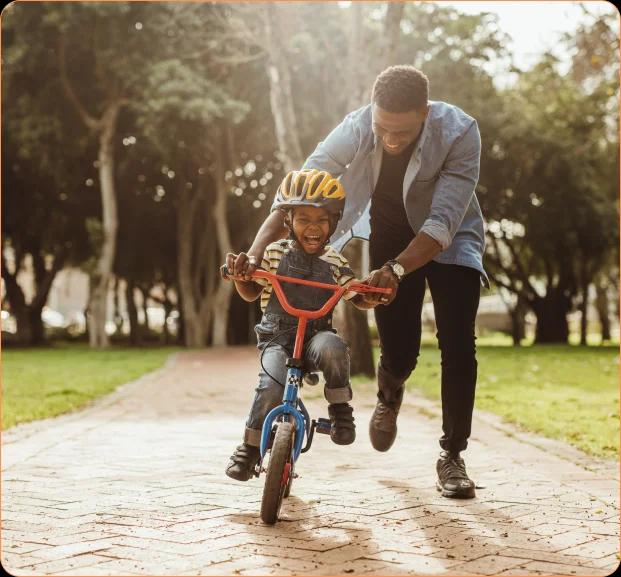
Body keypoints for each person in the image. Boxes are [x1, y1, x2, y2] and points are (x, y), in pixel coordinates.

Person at [230, 65, 487, 499]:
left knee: (458, 343)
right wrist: (254, 254)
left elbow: (443, 221)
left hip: (451, 239)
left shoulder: (460, 132)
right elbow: (297, 192)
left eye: (401, 132)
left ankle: (452, 455)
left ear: (424, 112)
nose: (390, 139)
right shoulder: (357, 126)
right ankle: (390, 395)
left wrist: (398, 271)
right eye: (382, 127)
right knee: (400, 350)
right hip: (390, 234)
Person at [224, 169, 377, 482]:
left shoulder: (335, 261)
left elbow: (354, 294)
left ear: (333, 223)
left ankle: (339, 410)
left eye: (322, 220)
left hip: (315, 337)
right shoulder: (272, 253)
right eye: (303, 218)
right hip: (276, 338)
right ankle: (250, 448)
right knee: (271, 385)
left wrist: (370, 295)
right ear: (288, 221)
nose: (313, 227)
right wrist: (241, 277)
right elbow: (252, 291)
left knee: (334, 349)